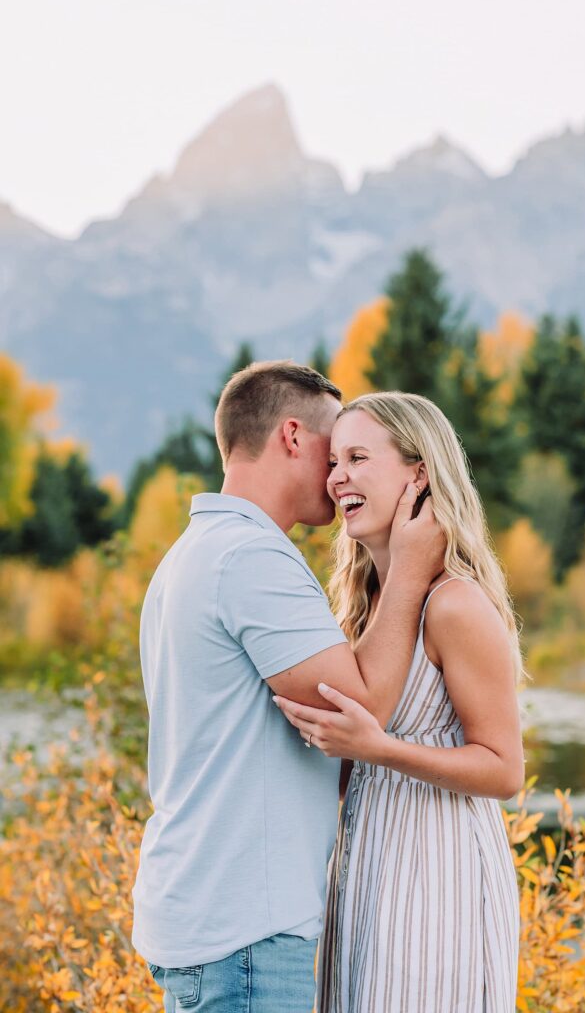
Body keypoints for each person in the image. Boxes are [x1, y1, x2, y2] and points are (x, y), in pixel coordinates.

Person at [131, 362, 444, 1013]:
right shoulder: (252, 558)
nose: (338, 477)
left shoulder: (192, 554)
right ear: (293, 437)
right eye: (334, 452)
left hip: (212, 914)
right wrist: (411, 571)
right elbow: (362, 710)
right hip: (244, 926)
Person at [274, 392, 525, 1013]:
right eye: (333, 460)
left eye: (358, 458)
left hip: (437, 874)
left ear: (418, 473)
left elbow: (504, 770)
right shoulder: (363, 607)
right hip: (367, 867)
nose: (337, 478)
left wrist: (377, 749)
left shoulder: (455, 604)